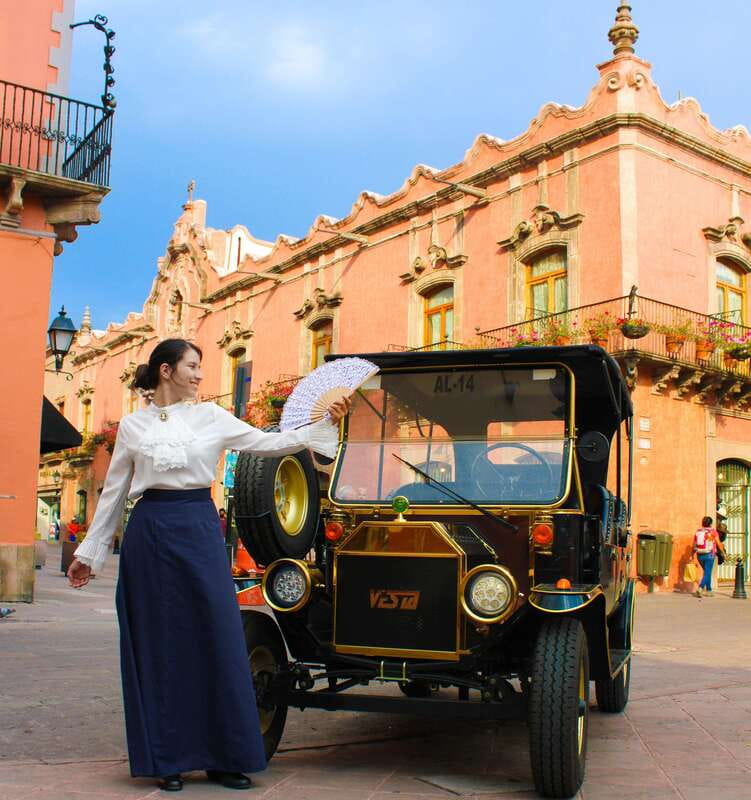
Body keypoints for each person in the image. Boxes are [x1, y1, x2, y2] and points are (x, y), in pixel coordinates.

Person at [67, 339, 350, 793]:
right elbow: (115, 490)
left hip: (199, 528)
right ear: (166, 370)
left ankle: (225, 756)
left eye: (200, 367)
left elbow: (270, 443)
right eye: (192, 366)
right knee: (160, 645)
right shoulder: (133, 427)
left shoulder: (213, 417)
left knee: (217, 637)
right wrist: (88, 553)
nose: (200, 375)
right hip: (151, 533)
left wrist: (321, 422)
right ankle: (168, 758)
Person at [693, 515, 725, 597]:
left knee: (707, 572)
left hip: (699, 555)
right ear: (711, 523)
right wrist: (723, 552)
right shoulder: (713, 532)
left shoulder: (698, 531)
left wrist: (692, 555)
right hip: (709, 555)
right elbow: (718, 543)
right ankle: (700, 588)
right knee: (707, 572)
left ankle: (709, 590)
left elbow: (694, 545)